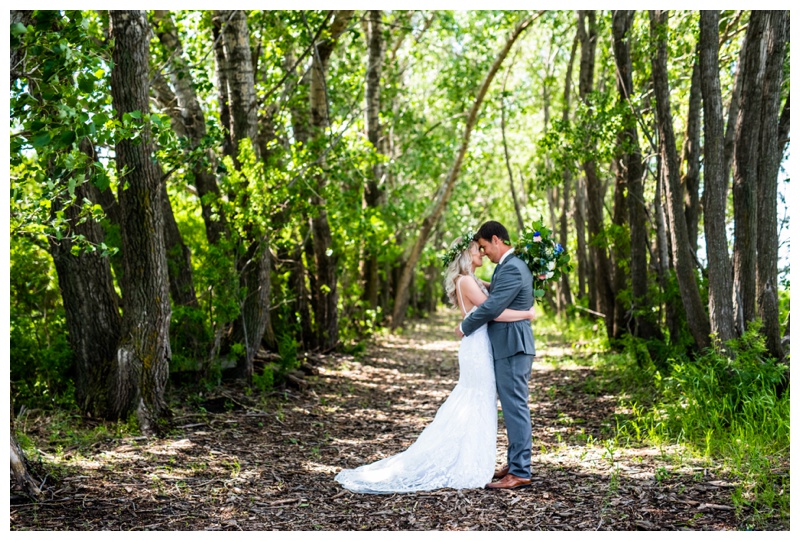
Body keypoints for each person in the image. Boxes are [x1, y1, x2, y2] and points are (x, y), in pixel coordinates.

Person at [334, 235, 535, 493]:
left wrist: (533, 281)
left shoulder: (474, 279)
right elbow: (492, 310)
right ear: (466, 255)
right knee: (476, 400)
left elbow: (500, 294)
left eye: (483, 248)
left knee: (484, 401)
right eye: (478, 250)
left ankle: (504, 462)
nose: (482, 253)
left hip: (485, 346)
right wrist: (526, 313)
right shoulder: (466, 281)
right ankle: (475, 461)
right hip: (478, 347)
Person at [457, 220, 536, 490]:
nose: (484, 253)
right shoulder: (507, 266)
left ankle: (521, 471)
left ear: (495, 240)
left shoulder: (513, 267)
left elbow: (492, 308)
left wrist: (464, 326)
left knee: (515, 408)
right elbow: (499, 295)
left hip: (513, 345)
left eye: (483, 247)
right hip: (508, 344)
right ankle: (515, 463)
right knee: (512, 406)